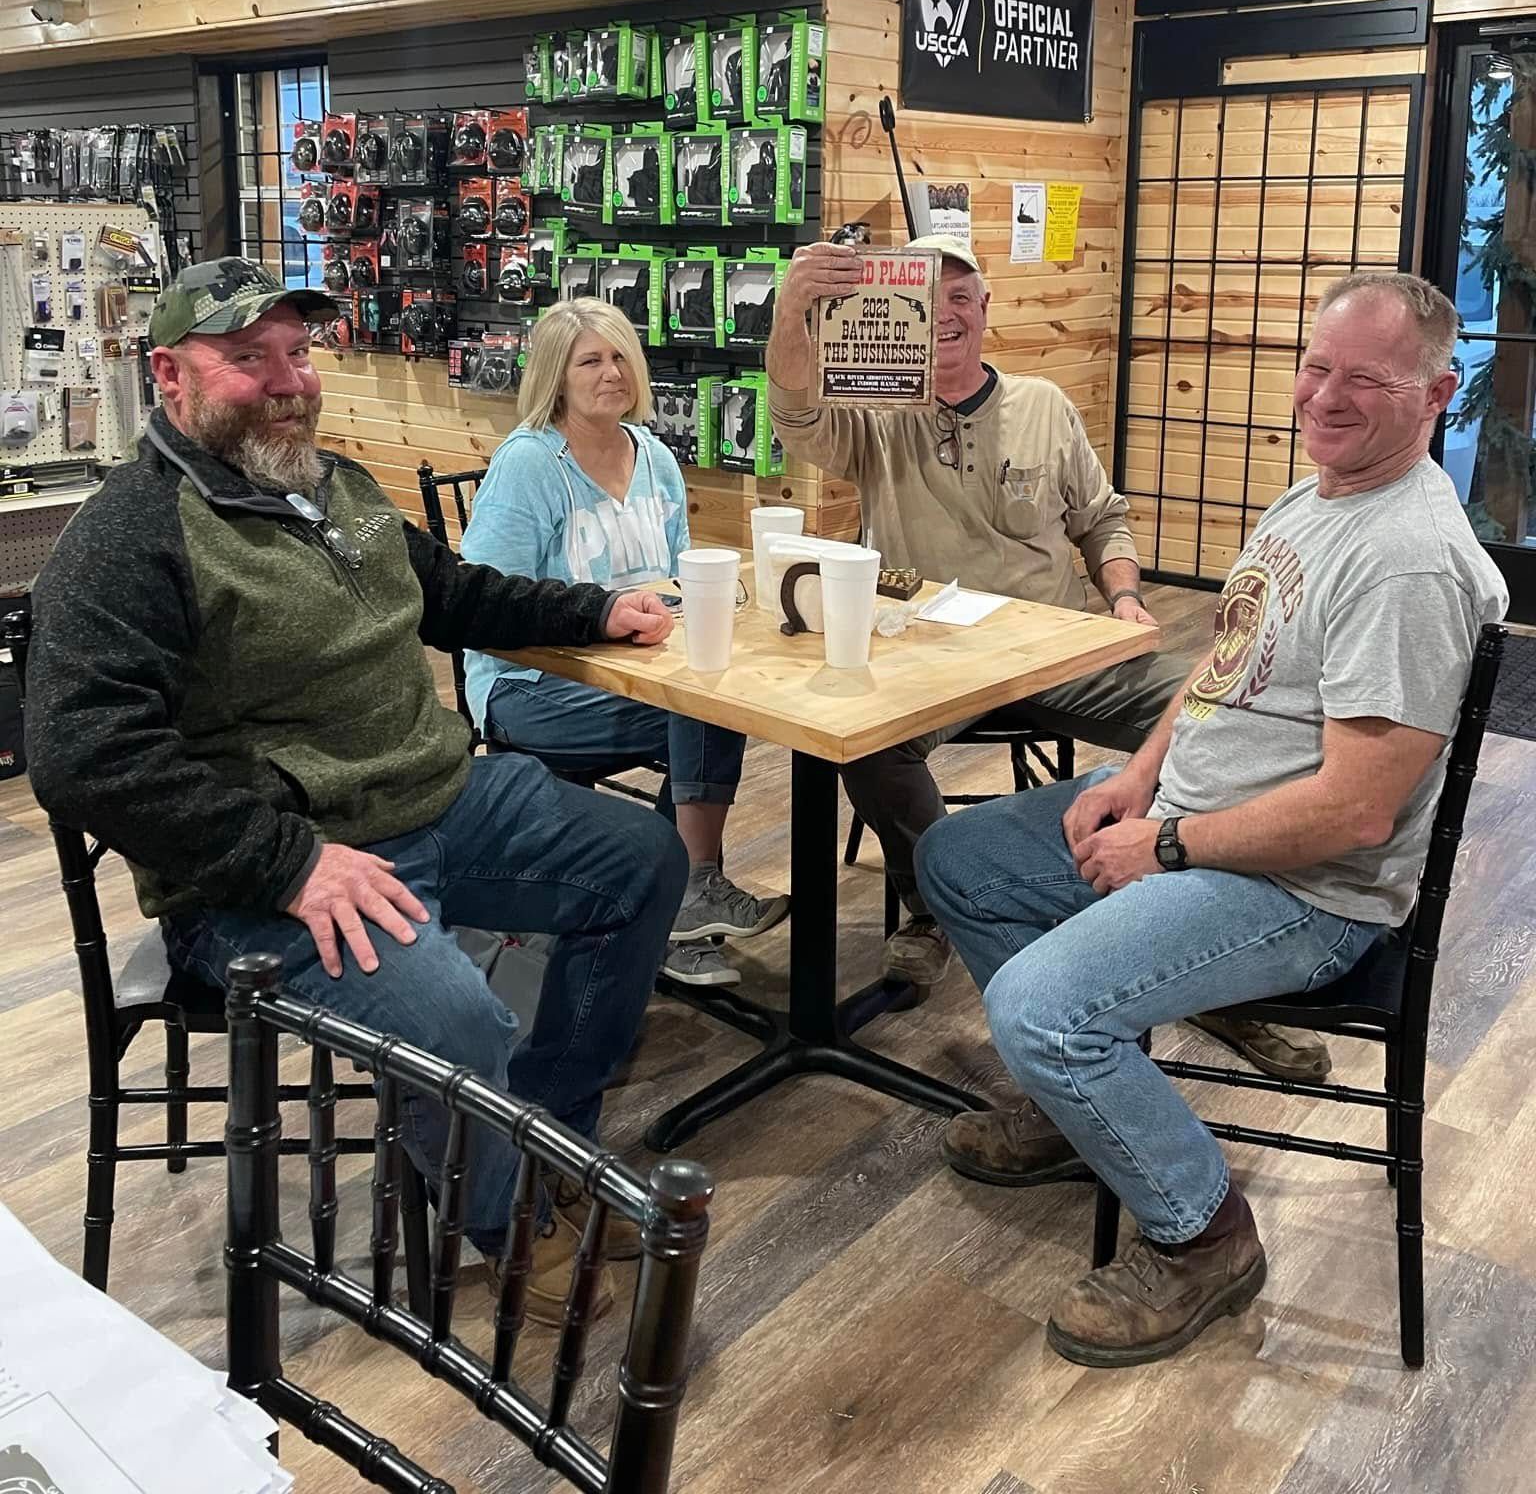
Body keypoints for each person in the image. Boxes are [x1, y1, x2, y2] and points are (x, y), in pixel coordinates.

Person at [24, 258, 689, 1327]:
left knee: (645, 861)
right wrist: (288, 860)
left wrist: (593, 613)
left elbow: (453, 590)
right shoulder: (130, 534)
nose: (289, 380)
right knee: (457, 1015)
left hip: (432, 801)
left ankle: (538, 1139)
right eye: (248, 358)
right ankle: (514, 1218)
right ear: (169, 375)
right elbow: (81, 752)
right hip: (275, 870)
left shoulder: (335, 486)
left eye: (297, 351)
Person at [916, 271, 1507, 1367]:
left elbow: (1356, 807)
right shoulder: (1314, 495)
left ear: (1436, 392)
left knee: (1040, 1006)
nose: (1325, 396)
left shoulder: (1408, 558)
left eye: (1363, 379)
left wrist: (1168, 843)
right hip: (1196, 824)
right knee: (959, 856)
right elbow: (1224, 666)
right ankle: (1078, 1106)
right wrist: (1140, 775)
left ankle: (1204, 1233)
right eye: (1317, 366)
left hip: (1303, 890)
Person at [766, 232, 1325, 1080]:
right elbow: (796, 413)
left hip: (1056, 644)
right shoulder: (877, 409)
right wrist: (791, 309)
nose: (946, 312)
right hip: (928, 650)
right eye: (929, 296)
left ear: (987, 310)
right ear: (902, 313)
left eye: (963, 294)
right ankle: (934, 897)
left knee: (1211, 710)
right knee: (864, 744)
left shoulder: (1043, 404)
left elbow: (1102, 518)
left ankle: (1209, 940)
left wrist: (1126, 595)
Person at [463, 298, 788, 989]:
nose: (611, 373)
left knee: (710, 697)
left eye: (619, 357)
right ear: (556, 375)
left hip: (635, 671)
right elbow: (484, 603)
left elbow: (675, 576)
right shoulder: (530, 466)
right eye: (590, 361)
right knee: (700, 708)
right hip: (527, 686)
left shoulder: (656, 458)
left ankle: (678, 903)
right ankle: (691, 892)